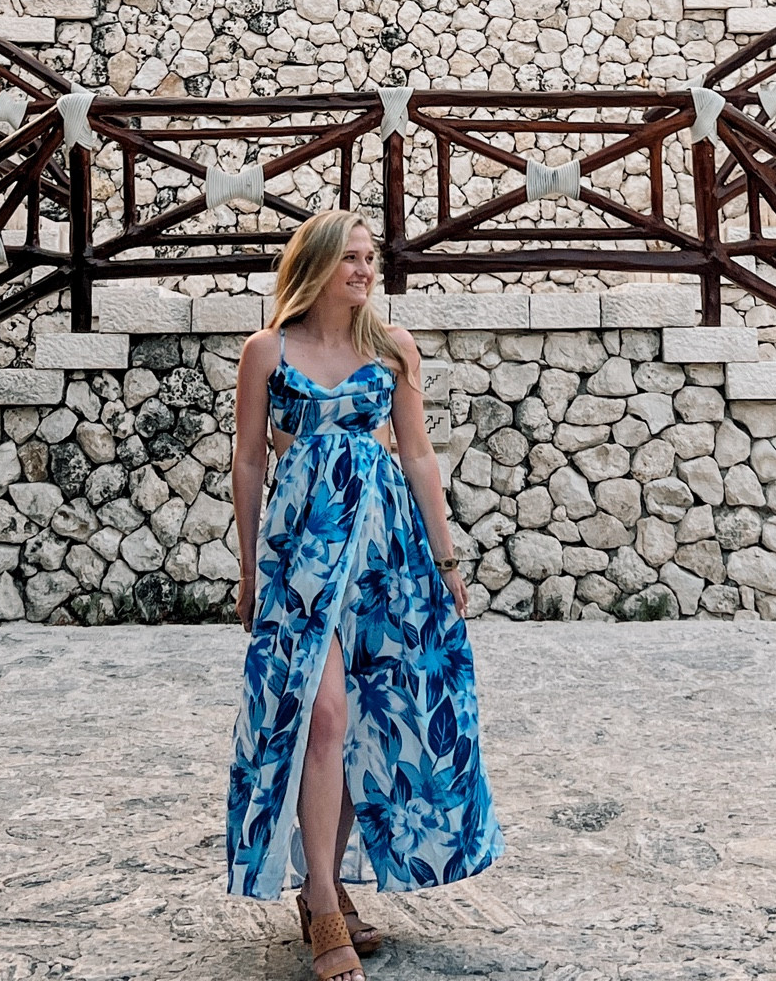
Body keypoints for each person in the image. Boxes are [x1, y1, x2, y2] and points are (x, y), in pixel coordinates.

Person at [226, 208, 503, 979]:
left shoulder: (392, 348)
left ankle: (331, 884)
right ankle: (319, 902)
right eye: (349, 258)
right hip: (302, 556)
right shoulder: (266, 351)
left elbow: (416, 456)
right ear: (314, 264)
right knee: (323, 714)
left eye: (369, 258)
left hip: (388, 555)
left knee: (366, 721)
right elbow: (250, 464)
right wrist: (250, 570)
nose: (364, 270)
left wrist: (447, 566)